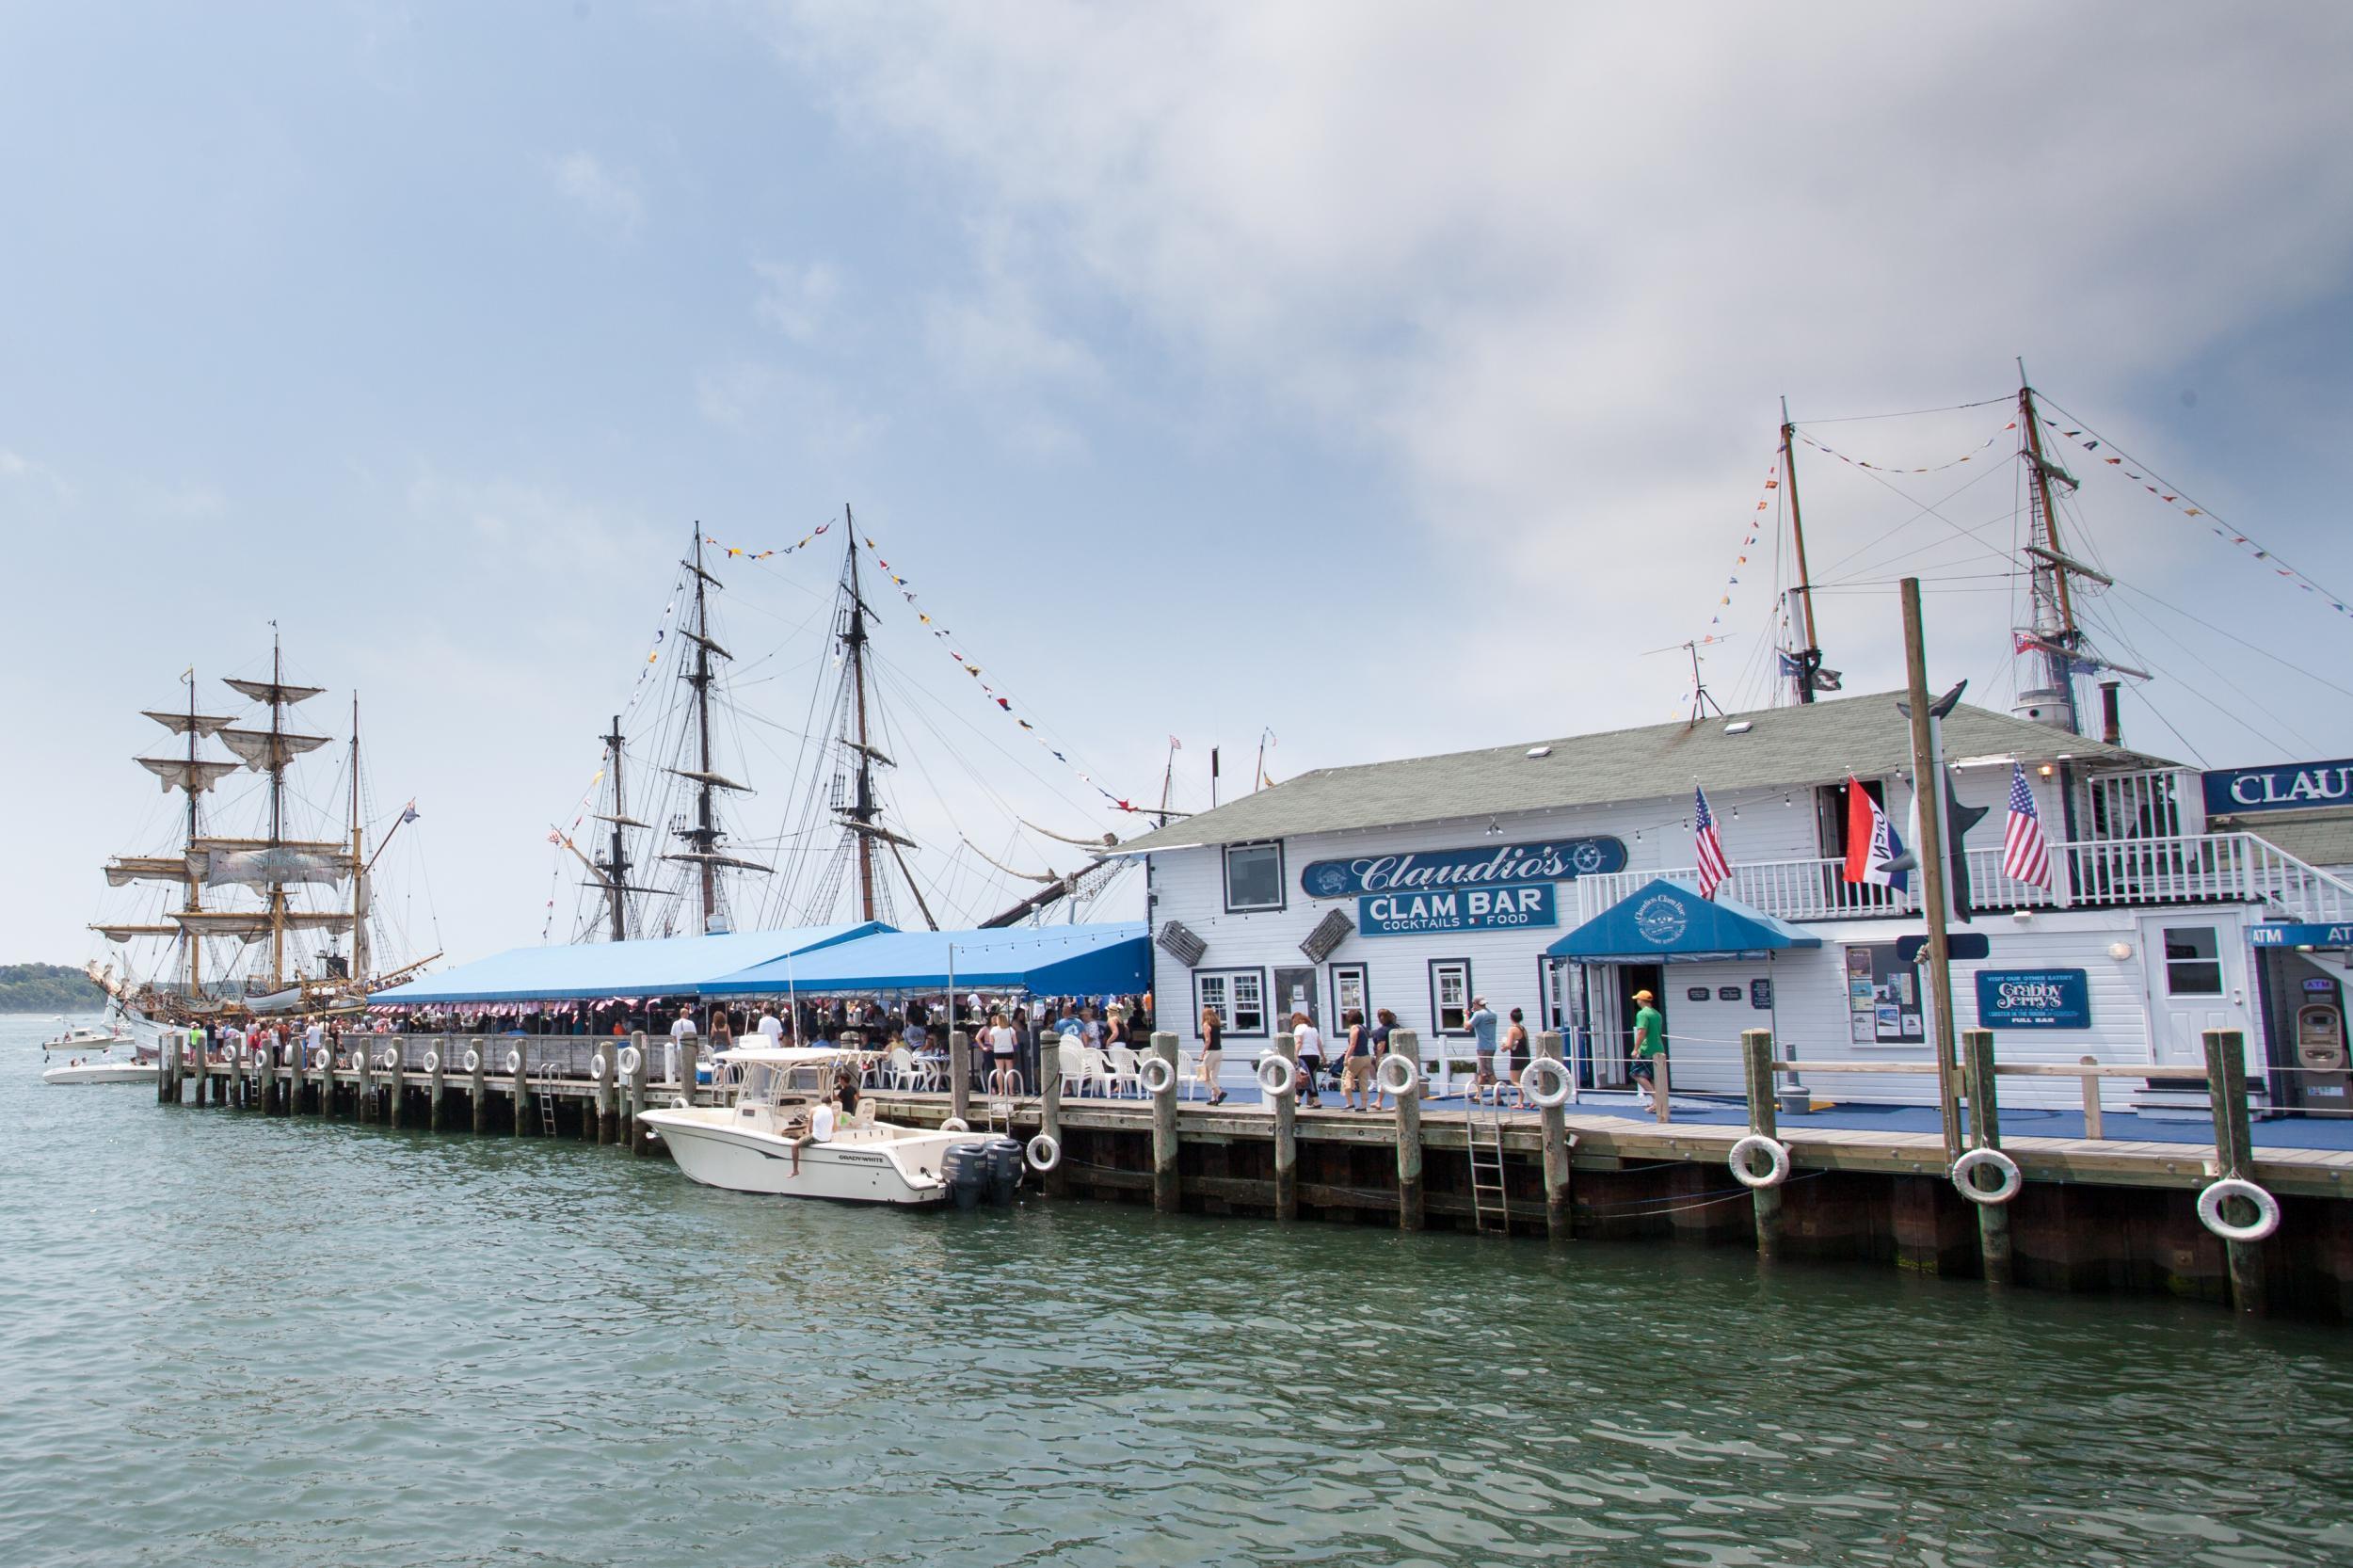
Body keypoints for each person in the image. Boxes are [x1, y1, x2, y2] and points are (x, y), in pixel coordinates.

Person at [1630, 988, 1668, 1118]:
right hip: (1659, 1048)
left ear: (1641, 1000)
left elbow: (1641, 1031)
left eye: (1637, 999)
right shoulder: (1657, 1014)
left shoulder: (1642, 1014)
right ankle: (1657, 1103)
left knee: (1636, 1073)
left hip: (1647, 1049)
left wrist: (1636, 1048)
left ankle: (1657, 1098)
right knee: (1655, 1077)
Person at [1337, 1009, 1372, 1111]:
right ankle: (1364, 1104)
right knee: (1363, 1082)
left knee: (1346, 1078)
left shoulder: (1354, 1028)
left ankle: (1350, 1102)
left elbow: (1352, 1045)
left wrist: (1346, 1057)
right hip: (1366, 1057)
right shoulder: (1364, 1028)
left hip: (1356, 1057)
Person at [1468, 996, 1498, 1101]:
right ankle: (1478, 1096)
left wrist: (1465, 1015)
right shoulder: (1493, 1014)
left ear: (1475, 1004)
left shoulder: (1479, 1014)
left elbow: (1467, 1027)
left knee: (1488, 1073)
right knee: (1482, 1071)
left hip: (1483, 1047)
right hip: (1492, 1046)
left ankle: (1498, 1098)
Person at [1292, 1012, 1325, 1108]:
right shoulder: (1313, 1029)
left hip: (1304, 1056)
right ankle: (1297, 1099)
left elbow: (1299, 1042)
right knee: (1305, 1078)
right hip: (1315, 1056)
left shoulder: (1299, 1028)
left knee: (1308, 1079)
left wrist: (1295, 1054)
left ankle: (1316, 1101)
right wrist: (1323, 1056)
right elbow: (1319, 1043)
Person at [1369, 1008, 1399, 1112]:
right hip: (1397, 1055)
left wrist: (1377, 1059)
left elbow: (1381, 1046)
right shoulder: (1396, 1028)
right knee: (1390, 1078)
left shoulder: (1382, 1031)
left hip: (1386, 1056)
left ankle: (1396, 1103)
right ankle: (1379, 1101)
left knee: (1386, 1078)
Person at [984, 1010, 1020, 1095]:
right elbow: (1015, 1043)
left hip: (998, 1051)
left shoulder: (994, 1030)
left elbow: (991, 1043)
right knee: (1010, 1071)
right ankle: (1011, 1091)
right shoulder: (1011, 1029)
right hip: (1009, 1051)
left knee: (999, 1071)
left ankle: (1001, 1090)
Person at [1500, 1007, 1529, 1108]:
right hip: (1525, 1056)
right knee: (1521, 1080)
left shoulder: (1512, 1029)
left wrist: (1503, 1048)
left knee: (1514, 1081)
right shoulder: (1523, 1029)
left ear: (1511, 1018)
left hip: (1516, 1057)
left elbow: (1508, 1045)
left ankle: (1531, 1097)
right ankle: (1520, 1102)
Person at [1197, 1004, 1225, 1105]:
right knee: (1214, 1076)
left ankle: (1220, 1093)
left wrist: (1202, 1053)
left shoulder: (1206, 1025)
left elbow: (1208, 1040)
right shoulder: (1217, 1025)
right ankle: (1214, 1099)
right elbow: (1220, 1039)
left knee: (1203, 1075)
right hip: (1219, 1052)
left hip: (1211, 1052)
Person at [668, 1005, 697, 1086]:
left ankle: (683, 1079)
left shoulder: (675, 1023)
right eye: (687, 1014)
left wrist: (676, 1043)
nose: (688, 1015)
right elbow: (694, 1035)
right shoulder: (691, 1023)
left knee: (682, 1064)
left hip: (679, 1047)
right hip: (690, 1047)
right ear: (685, 1014)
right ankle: (690, 1080)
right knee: (690, 1063)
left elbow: (673, 1035)